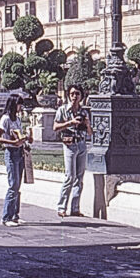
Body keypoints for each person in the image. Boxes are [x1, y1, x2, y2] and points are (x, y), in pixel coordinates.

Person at [54, 84, 93, 218]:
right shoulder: (63, 110)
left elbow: (90, 133)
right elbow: (55, 127)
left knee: (79, 178)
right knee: (69, 177)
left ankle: (75, 208)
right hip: (69, 145)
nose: (74, 97)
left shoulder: (84, 112)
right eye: (72, 94)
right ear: (68, 95)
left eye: (77, 94)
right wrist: (70, 123)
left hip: (81, 144)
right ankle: (61, 207)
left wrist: (87, 124)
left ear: (81, 96)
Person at [0, 94, 31, 227]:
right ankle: (6, 216)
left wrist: (25, 139)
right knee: (13, 184)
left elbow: (18, 135)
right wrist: (12, 142)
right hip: (10, 152)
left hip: (19, 152)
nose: (21, 107)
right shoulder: (6, 119)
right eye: (19, 104)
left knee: (17, 185)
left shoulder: (18, 120)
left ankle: (15, 214)